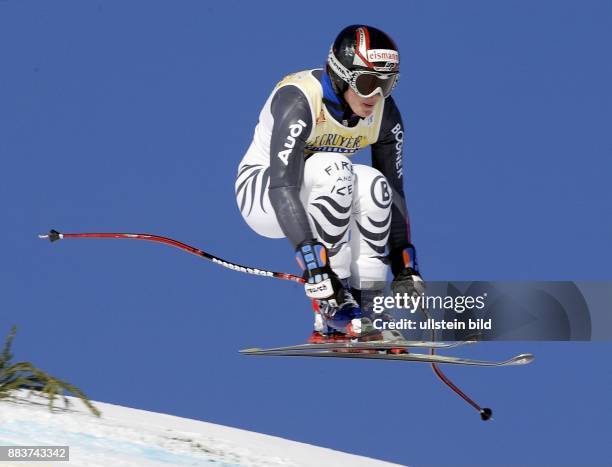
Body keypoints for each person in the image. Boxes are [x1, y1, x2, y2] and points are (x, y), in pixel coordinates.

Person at [235, 25, 424, 343]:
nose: (375, 96)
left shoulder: (383, 115)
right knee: (333, 167)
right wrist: (314, 266)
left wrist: (404, 264)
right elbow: (283, 186)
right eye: (367, 83)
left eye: (387, 85)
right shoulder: (300, 99)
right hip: (264, 194)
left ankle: (369, 306)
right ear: (340, 76)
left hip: (319, 191)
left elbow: (394, 190)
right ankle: (332, 306)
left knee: (374, 184)